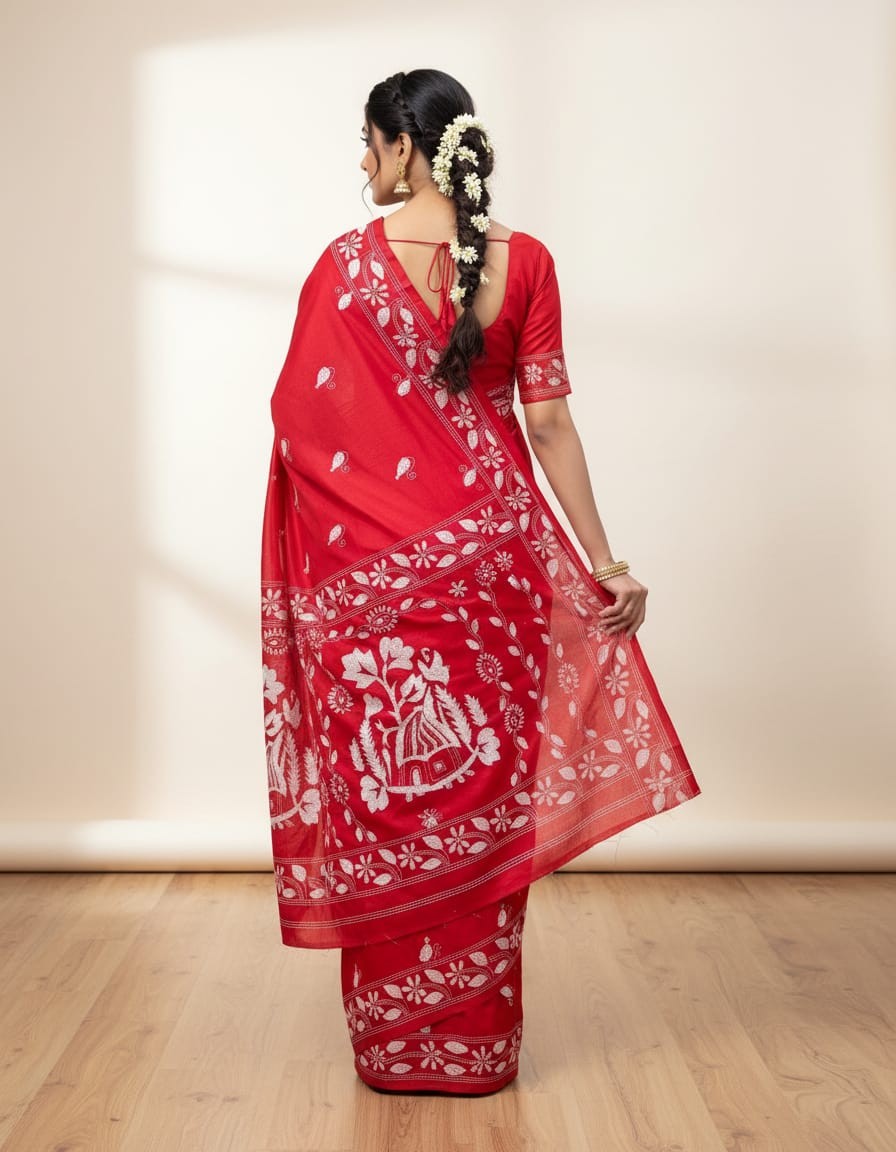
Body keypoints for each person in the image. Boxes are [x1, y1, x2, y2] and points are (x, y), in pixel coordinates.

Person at [260, 68, 701, 1097]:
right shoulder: (526, 261)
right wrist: (605, 563)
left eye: (369, 141)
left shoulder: (343, 268)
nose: (362, 161)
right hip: (499, 580)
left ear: (406, 148)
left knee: (389, 801)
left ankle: (398, 1047)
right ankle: (475, 1046)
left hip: (374, 598)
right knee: (484, 801)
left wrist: (345, 567)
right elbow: (547, 422)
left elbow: (302, 425)